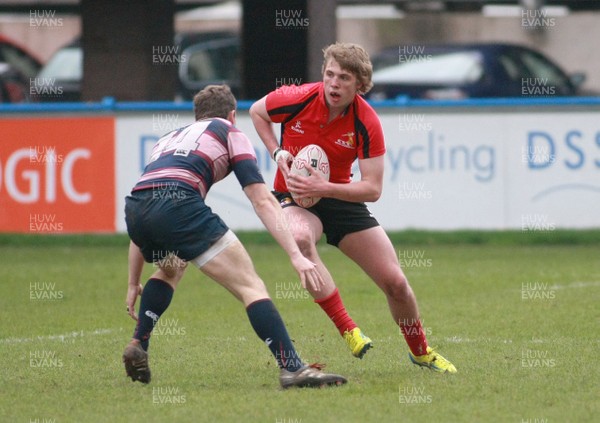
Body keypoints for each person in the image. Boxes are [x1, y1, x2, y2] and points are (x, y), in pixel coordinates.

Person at [122, 84, 347, 389]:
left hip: (136, 208)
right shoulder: (229, 131)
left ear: (197, 115)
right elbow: (261, 199)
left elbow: (149, 204)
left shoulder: (167, 139)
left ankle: (139, 342)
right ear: (232, 114)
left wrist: (133, 281)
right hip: (178, 206)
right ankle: (292, 368)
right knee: (250, 285)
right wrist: (296, 255)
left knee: (172, 266)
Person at [249, 42, 456, 373]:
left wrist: (326, 188)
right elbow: (257, 111)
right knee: (302, 239)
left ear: (360, 84)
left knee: (396, 284)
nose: (333, 83)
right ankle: (348, 328)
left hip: (341, 196)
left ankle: (420, 351)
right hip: (293, 194)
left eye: (344, 78)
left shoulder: (367, 121)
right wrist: (277, 152)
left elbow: (372, 189)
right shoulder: (299, 97)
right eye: (330, 74)